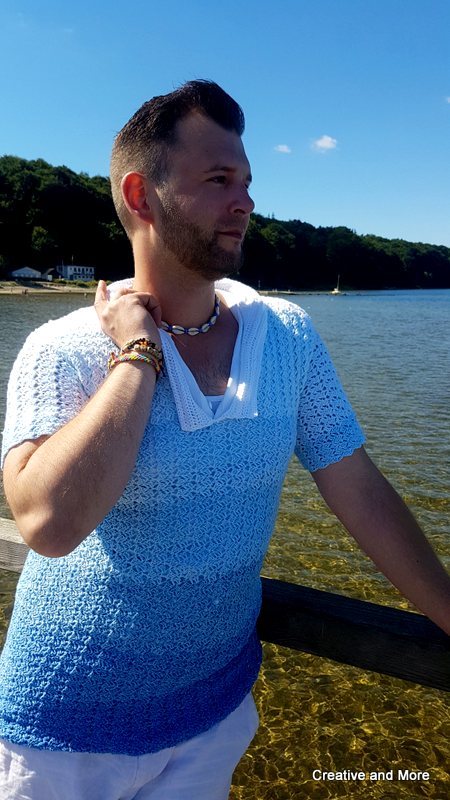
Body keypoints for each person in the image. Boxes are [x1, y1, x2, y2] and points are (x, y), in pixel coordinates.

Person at [0, 80, 449, 800]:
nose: (245, 201)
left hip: (215, 713)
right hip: (63, 729)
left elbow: (360, 490)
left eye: (246, 181)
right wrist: (137, 355)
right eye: (218, 180)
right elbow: (47, 523)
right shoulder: (63, 350)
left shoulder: (288, 337)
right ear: (142, 196)